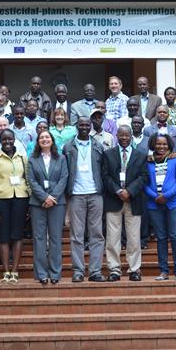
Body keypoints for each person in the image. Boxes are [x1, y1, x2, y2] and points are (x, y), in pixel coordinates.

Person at [63, 117, 106, 283]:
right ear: (76, 126)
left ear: (91, 127)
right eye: (81, 125)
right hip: (76, 195)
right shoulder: (68, 147)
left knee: (97, 234)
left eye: (87, 125)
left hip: (95, 194)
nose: (84, 127)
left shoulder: (98, 146)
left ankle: (95, 271)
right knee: (76, 235)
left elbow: (103, 169)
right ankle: (78, 271)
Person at [103, 126, 148, 282]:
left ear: (131, 136)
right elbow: (105, 176)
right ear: (117, 136)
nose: (123, 138)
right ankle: (114, 269)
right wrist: (117, 190)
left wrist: (129, 191)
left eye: (126, 135)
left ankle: (134, 269)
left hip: (133, 200)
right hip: (113, 200)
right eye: (121, 135)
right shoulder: (108, 154)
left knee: (134, 238)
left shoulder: (140, 155)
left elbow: (143, 177)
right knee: (112, 238)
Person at [0, 129, 30, 284]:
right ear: (0, 141)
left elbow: (28, 179)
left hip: (21, 198)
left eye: (10, 139)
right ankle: (6, 271)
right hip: (1, 200)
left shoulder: (23, 158)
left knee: (17, 235)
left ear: (14, 140)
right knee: (3, 236)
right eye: (4, 140)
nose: (7, 142)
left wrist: (30, 203)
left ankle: (15, 271)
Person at [27, 131, 69, 284]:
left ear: (52, 140)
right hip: (37, 203)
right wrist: (44, 197)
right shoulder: (32, 159)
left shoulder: (62, 158)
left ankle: (55, 273)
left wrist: (52, 198)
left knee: (55, 238)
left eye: (47, 137)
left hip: (57, 203)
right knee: (39, 238)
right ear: (38, 142)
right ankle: (41, 274)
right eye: (41, 138)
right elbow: (31, 180)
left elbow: (64, 178)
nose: (45, 139)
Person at [144, 134, 176, 281]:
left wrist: (166, 195)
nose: (161, 147)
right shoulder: (148, 161)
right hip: (154, 203)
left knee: (175, 236)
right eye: (158, 144)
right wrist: (155, 196)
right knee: (161, 238)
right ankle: (163, 271)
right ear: (153, 145)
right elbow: (144, 182)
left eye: (164, 144)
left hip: (174, 203)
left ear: (169, 145)